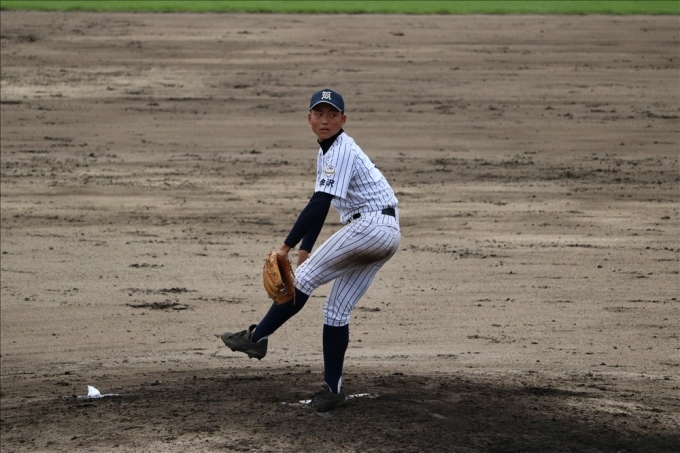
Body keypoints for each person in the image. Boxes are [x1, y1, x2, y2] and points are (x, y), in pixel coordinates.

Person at [218, 88, 401, 412]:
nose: (325, 120)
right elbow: (322, 203)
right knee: (336, 311)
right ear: (309, 118)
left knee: (301, 281)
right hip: (386, 234)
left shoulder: (341, 150)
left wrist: (285, 247)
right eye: (319, 114)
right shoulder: (327, 153)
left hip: (370, 227)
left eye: (332, 114)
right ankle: (333, 390)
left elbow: (318, 203)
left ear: (343, 119)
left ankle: (256, 338)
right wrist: (305, 251)